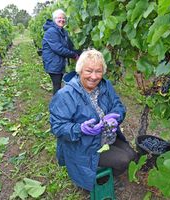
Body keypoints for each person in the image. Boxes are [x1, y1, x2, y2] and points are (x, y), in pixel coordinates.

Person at [49, 49, 138, 191]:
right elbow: (57, 127)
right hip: (81, 145)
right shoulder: (65, 95)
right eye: (89, 71)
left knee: (132, 155)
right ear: (79, 70)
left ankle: (99, 171)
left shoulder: (105, 85)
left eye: (98, 71)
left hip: (104, 137)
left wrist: (115, 117)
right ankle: (95, 178)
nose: (94, 76)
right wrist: (80, 129)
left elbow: (118, 105)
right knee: (123, 160)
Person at [42, 9, 79, 94]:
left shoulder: (63, 31)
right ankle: (56, 105)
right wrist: (74, 55)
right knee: (57, 85)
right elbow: (59, 49)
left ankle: (57, 103)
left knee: (58, 84)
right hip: (53, 63)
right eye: (59, 18)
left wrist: (80, 53)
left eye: (63, 18)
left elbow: (70, 46)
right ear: (54, 19)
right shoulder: (51, 31)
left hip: (58, 63)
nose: (62, 20)